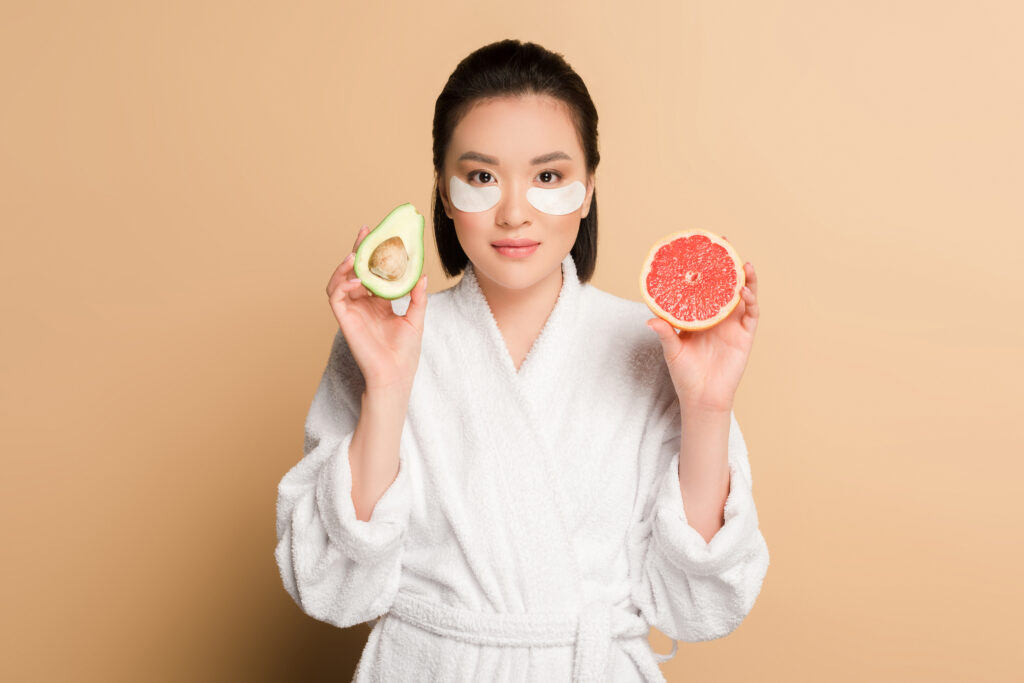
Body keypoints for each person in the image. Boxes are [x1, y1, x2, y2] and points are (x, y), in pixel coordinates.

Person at [275, 39, 769, 683]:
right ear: (444, 195)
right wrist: (390, 388)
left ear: (588, 189)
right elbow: (333, 587)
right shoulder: (381, 344)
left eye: (548, 177)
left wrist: (708, 409)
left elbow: (695, 603)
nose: (513, 212)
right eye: (480, 176)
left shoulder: (654, 349)